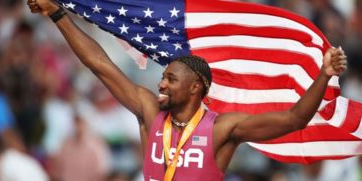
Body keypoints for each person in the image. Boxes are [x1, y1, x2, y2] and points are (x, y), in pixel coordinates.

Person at [27, 0, 348, 180]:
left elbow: (293, 119)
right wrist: (58, 14)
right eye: (163, 77)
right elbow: (100, 64)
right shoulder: (149, 112)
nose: (161, 83)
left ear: (196, 88)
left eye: (170, 79)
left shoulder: (223, 128)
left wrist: (323, 75)